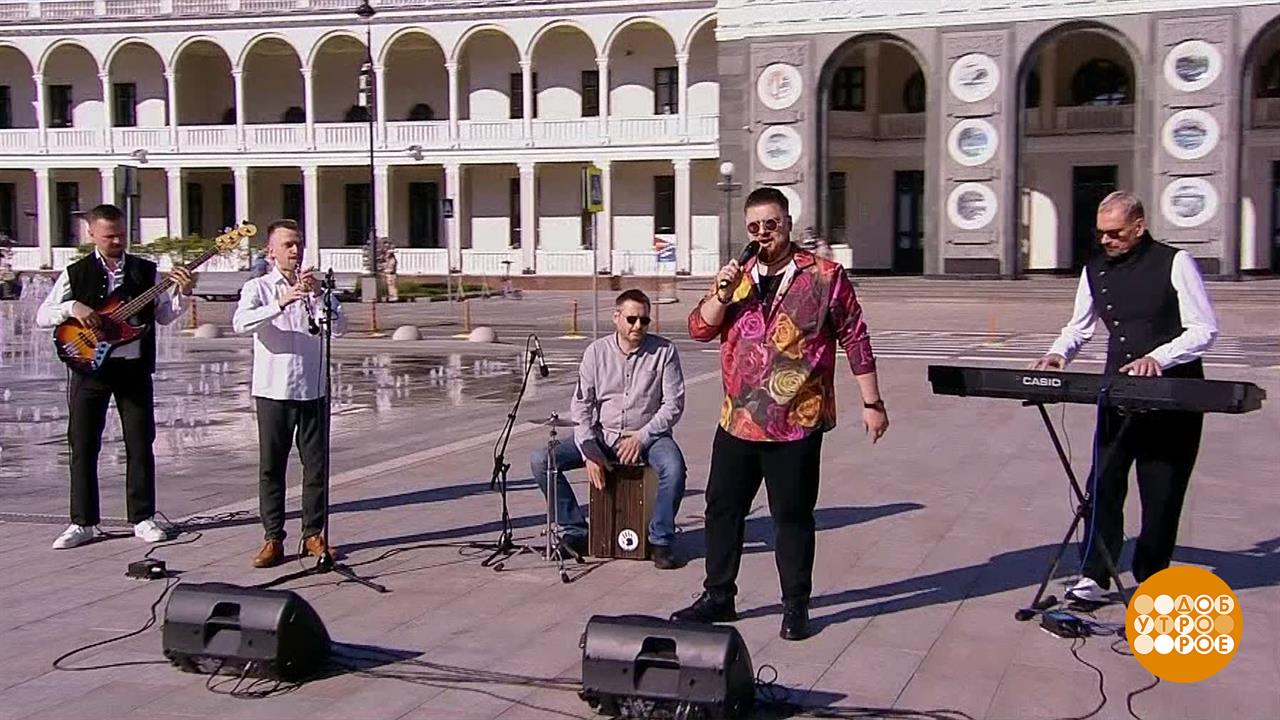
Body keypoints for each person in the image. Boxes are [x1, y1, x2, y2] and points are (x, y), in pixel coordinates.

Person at [672, 186, 889, 641]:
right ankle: (719, 595)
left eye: (771, 224)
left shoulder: (824, 276)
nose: (763, 233)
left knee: (791, 517)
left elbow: (855, 337)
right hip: (738, 419)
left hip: (796, 422)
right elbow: (699, 329)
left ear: (788, 224)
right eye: (754, 227)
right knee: (722, 509)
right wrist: (722, 294)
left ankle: (795, 605)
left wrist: (872, 403)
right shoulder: (738, 278)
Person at [1032, 190, 1218, 603]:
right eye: (1101, 233)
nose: (1106, 240)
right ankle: (1094, 575)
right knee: (1103, 485)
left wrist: (1158, 357)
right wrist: (1059, 353)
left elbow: (1203, 329)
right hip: (1118, 394)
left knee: (1161, 494)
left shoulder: (1175, 262)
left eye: (1115, 233)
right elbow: (1079, 326)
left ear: (1139, 226)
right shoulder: (1095, 268)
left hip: (1173, 397)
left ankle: (1152, 581)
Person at [36, 203, 194, 549]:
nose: (117, 241)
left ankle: (143, 517)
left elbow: (164, 316)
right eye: (110, 236)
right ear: (91, 234)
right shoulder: (76, 273)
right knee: (83, 444)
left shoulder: (144, 271)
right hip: (88, 368)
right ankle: (82, 522)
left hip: (132, 369)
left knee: (140, 442)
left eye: (122, 235)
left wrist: (183, 293)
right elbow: (42, 315)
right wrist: (72, 307)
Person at [529, 289, 688, 569]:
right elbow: (581, 406)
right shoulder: (595, 352)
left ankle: (660, 539)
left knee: (674, 468)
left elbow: (673, 404)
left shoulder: (664, 351)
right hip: (604, 434)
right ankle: (576, 530)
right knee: (542, 460)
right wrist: (589, 450)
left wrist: (641, 437)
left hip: (649, 435)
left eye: (644, 320)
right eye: (631, 319)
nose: (638, 325)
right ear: (616, 317)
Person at [232, 219, 346, 568]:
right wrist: (280, 303)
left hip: (313, 388)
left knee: (316, 467)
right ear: (271, 251)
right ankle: (273, 538)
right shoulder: (258, 288)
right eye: (287, 245)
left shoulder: (316, 289)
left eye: (298, 244)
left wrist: (318, 296)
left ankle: (313, 533)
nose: (295, 250)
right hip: (274, 390)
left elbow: (339, 328)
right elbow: (240, 324)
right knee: (272, 467)